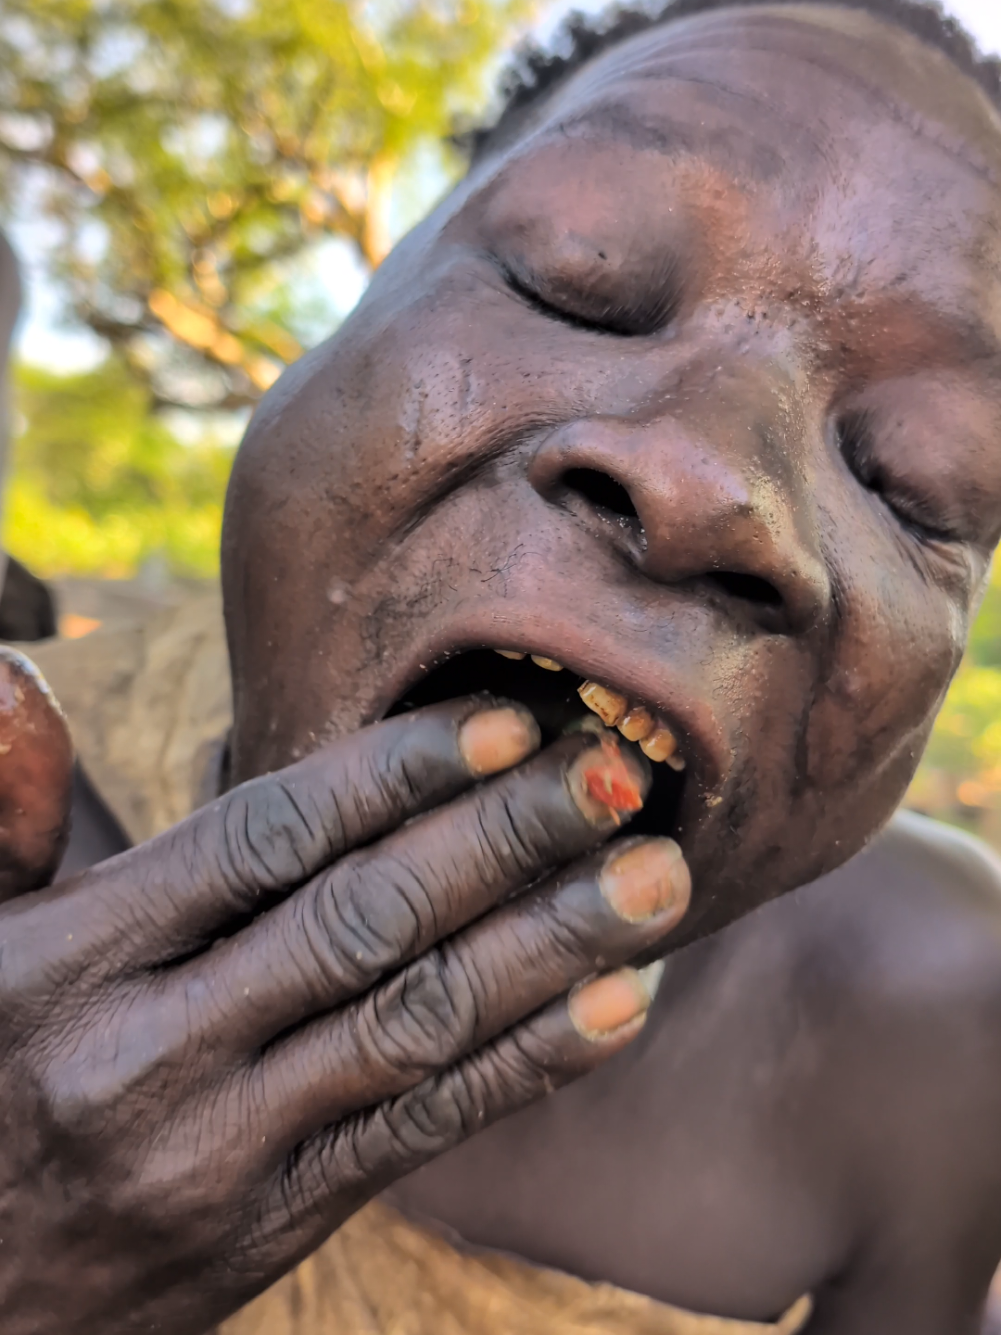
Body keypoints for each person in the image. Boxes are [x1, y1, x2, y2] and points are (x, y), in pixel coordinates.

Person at [4, 1, 1001, 1332]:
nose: (714, 482)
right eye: (570, 279)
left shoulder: (935, 1015)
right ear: (332, 329)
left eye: (913, 482)